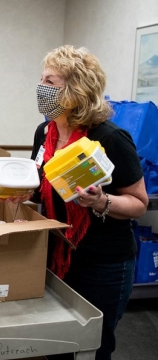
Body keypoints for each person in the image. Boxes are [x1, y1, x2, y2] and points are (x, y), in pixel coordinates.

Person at [10, 45, 148, 360]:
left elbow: (138, 202)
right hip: (57, 254)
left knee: (94, 345)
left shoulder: (110, 138)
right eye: (41, 80)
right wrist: (25, 190)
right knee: (57, 341)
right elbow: (43, 182)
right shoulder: (44, 132)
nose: (40, 88)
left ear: (75, 90)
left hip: (104, 263)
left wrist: (102, 202)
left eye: (50, 81)